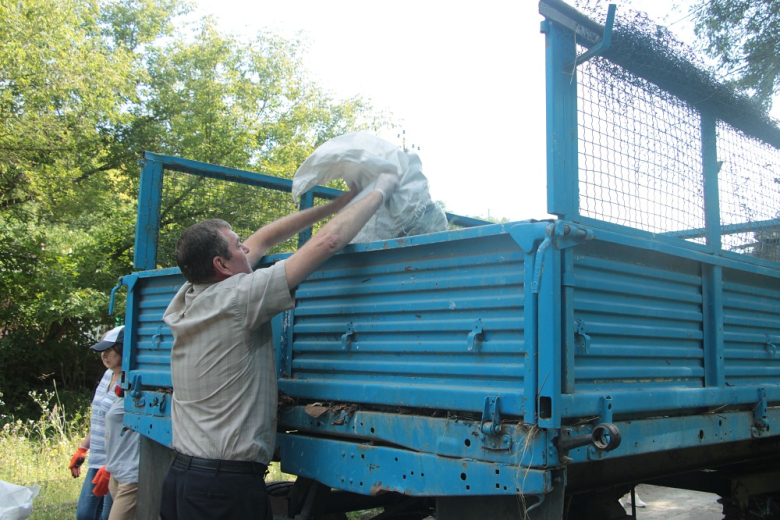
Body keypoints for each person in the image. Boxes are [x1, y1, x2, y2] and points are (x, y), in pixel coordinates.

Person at [159, 173, 400, 520]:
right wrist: (382, 189)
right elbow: (328, 242)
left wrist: (339, 203)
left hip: (182, 478)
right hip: (222, 489)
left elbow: (264, 239)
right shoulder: (238, 298)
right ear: (221, 266)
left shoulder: (189, 294)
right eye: (237, 246)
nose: (247, 248)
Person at [69, 326, 124, 520]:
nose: (104, 355)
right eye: (102, 351)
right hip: (97, 460)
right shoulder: (107, 375)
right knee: (84, 515)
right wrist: (82, 449)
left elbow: (126, 430)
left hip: (115, 463)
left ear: (123, 349)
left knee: (105, 516)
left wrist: (111, 466)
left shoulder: (128, 381)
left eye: (109, 350)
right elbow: (101, 420)